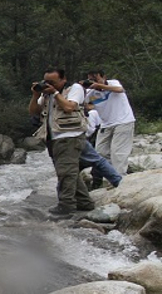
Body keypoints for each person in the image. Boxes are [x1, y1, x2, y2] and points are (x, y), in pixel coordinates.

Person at [29, 67, 96, 217]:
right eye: (46, 81)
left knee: (66, 172)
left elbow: (69, 107)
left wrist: (55, 93)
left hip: (70, 136)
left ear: (63, 79)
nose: (48, 84)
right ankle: (85, 202)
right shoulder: (46, 94)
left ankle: (66, 205)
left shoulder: (74, 88)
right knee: (69, 171)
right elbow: (33, 111)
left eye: (52, 82)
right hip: (53, 138)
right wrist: (36, 95)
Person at [85, 69, 136, 176]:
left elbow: (120, 89)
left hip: (124, 121)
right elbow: (83, 104)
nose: (93, 82)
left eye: (96, 79)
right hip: (106, 123)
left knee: (118, 152)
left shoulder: (113, 83)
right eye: (90, 79)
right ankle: (111, 175)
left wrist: (101, 86)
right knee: (100, 152)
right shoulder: (90, 93)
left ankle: (120, 177)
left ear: (103, 77)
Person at [80, 103, 122, 189]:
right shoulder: (99, 112)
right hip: (100, 134)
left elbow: (90, 129)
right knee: (101, 159)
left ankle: (97, 183)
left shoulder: (92, 113)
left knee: (97, 159)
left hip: (94, 138)